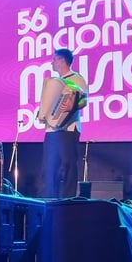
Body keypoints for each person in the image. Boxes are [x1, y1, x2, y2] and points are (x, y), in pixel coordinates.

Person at [38, 48, 88, 199]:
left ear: (62, 60)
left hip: (68, 128)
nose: (52, 62)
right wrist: (43, 114)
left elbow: (83, 100)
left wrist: (73, 105)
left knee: (68, 165)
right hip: (51, 131)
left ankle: (68, 198)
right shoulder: (53, 82)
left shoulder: (76, 78)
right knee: (49, 167)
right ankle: (49, 198)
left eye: (54, 59)